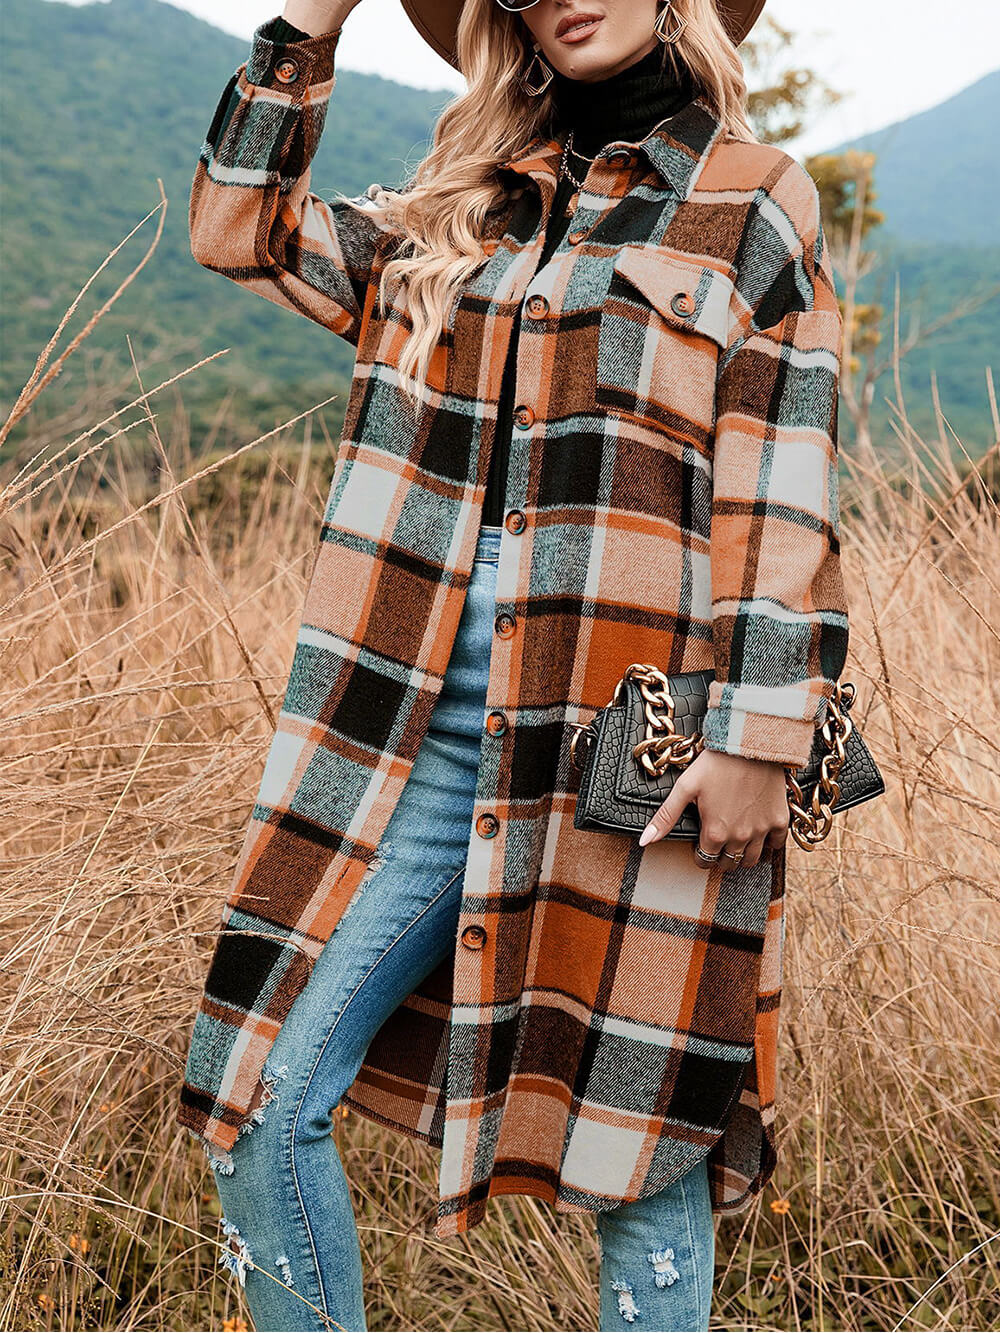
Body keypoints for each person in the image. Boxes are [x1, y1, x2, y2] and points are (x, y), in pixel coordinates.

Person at [177, 1, 847, 1329]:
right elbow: (235, 224)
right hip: (408, 755)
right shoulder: (464, 210)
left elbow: (785, 489)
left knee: (644, 1147)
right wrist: (314, 15)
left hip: (634, 756)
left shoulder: (751, 201)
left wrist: (759, 735)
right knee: (251, 1086)